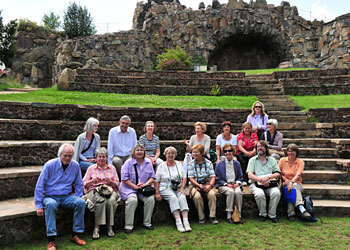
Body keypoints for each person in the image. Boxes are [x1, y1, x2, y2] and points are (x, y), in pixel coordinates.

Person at [34, 143, 86, 250]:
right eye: (65, 155)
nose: (67, 158)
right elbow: (40, 185)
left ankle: (75, 235)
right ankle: (51, 240)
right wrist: (39, 205)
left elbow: (79, 184)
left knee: (80, 202)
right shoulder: (49, 165)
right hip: (50, 196)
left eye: (70, 156)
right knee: (51, 204)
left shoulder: (75, 165)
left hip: (66, 197)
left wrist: (78, 196)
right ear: (60, 154)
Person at [83, 147, 120, 239]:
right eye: (99, 156)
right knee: (100, 201)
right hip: (94, 190)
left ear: (107, 158)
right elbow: (83, 183)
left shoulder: (112, 168)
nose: (101, 158)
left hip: (110, 190)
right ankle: (97, 227)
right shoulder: (91, 168)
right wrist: (92, 181)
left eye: (103, 156)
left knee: (111, 201)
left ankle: (109, 226)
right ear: (96, 158)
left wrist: (110, 182)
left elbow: (117, 184)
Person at [119, 144, 155, 234]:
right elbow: (124, 179)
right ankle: (128, 226)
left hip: (143, 188)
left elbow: (152, 177)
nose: (139, 152)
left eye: (141, 150)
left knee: (150, 199)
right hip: (129, 188)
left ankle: (147, 223)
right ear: (134, 152)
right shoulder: (128, 163)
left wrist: (146, 184)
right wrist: (135, 186)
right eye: (137, 150)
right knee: (132, 200)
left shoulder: (148, 162)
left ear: (144, 152)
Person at [154, 147, 192, 232]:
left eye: (172, 153)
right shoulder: (161, 166)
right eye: (168, 153)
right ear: (165, 155)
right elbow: (156, 180)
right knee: (173, 198)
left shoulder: (179, 164)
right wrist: (157, 192)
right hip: (165, 187)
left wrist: (182, 187)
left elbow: (184, 177)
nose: (170, 155)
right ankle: (178, 222)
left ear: (175, 155)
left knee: (182, 197)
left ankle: (186, 222)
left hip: (178, 186)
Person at [247, 141, 281, 223]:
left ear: (266, 149)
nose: (260, 148)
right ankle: (263, 214)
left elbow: (277, 173)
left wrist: (268, 177)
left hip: (269, 184)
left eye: (262, 146)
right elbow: (250, 175)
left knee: (276, 193)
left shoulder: (272, 160)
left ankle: (272, 215)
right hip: (255, 184)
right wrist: (261, 180)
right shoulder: (252, 160)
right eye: (258, 147)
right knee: (259, 194)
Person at [279, 144, 312, 221]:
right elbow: (278, 173)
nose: (290, 153)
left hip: (296, 183)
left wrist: (291, 182)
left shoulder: (300, 162)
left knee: (294, 187)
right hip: (284, 182)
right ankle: (301, 208)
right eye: (289, 151)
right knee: (291, 187)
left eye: (292, 151)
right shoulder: (282, 160)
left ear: (296, 152)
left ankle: (290, 213)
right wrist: (287, 182)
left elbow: (299, 174)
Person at [188, 144, 218, 224]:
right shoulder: (191, 163)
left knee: (212, 195)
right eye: (193, 152)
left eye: (196, 152)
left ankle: (212, 216)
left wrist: (210, 185)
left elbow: (213, 176)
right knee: (197, 197)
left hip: (207, 183)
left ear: (201, 153)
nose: (194, 154)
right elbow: (191, 178)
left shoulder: (208, 163)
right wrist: (199, 185)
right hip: (196, 185)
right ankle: (201, 217)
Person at [215, 144, 244, 224]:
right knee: (230, 192)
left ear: (233, 152)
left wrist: (237, 183)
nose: (228, 153)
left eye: (229, 150)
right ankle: (229, 214)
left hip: (235, 184)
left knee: (238, 192)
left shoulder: (237, 164)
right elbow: (217, 177)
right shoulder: (220, 164)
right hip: (224, 185)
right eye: (225, 151)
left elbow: (240, 176)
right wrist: (226, 184)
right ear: (223, 153)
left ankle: (239, 214)